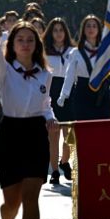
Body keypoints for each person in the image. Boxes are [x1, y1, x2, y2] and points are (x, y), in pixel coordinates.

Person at [0, 21, 58, 219]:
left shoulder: (45, 73)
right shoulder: (5, 69)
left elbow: (45, 103)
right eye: (20, 40)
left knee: (32, 198)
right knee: (12, 202)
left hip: (35, 135)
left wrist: (50, 118)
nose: (25, 44)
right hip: (11, 133)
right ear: (13, 44)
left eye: (30, 39)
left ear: (36, 44)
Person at [58, 15, 110, 120]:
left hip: (102, 92)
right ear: (83, 29)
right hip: (83, 93)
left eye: (94, 26)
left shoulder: (105, 51)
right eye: (88, 26)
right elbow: (70, 75)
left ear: (98, 29)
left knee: (102, 129)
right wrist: (64, 94)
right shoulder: (76, 52)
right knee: (84, 128)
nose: (91, 29)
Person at [43, 18, 75, 185]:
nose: (58, 33)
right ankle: (54, 170)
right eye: (55, 30)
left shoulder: (73, 50)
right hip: (52, 90)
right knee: (53, 133)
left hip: (69, 92)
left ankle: (64, 161)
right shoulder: (45, 52)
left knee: (69, 135)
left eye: (61, 30)